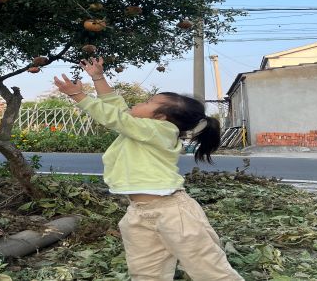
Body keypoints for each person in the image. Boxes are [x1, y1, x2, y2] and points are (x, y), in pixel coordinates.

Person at [53, 58, 244, 281]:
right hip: (138, 212)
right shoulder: (140, 129)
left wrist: (78, 96)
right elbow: (116, 107)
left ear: (160, 117)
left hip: (173, 212)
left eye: (148, 101)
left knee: (208, 268)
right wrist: (98, 77)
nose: (140, 102)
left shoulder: (162, 130)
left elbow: (115, 117)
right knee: (145, 272)